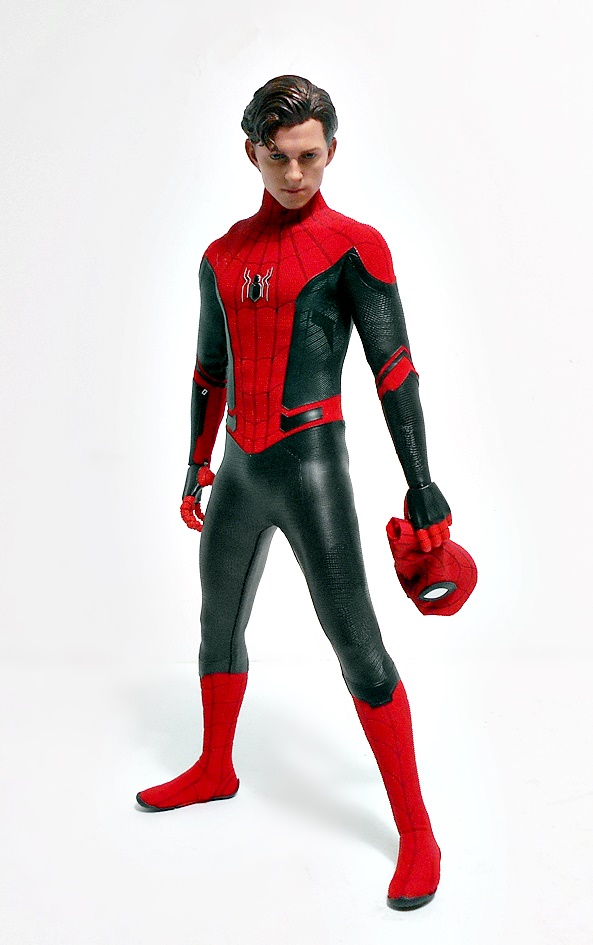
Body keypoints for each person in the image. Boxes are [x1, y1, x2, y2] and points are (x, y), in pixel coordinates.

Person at [136, 75, 453, 911]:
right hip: (240, 467)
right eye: (277, 157)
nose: (294, 173)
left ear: (331, 150)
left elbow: (394, 370)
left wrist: (422, 483)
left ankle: (416, 829)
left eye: (308, 155)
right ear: (251, 153)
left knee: (356, 643)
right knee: (217, 623)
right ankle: (215, 765)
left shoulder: (354, 246)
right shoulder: (221, 254)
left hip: (311, 463)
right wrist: (195, 461)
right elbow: (208, 369)